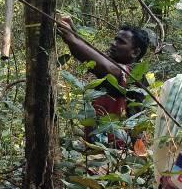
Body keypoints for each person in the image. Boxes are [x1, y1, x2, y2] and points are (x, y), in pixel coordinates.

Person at [56, 16, 150, 149]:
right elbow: (94, 56)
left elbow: (105, 66)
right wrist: (73, 33)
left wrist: (72, 38)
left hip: (121, 153)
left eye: (120, 42)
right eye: (115, 39)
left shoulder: (134, 74)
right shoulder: (114, 66)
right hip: (99, 149)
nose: (113, 43)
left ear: (135, 52)